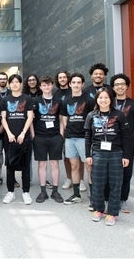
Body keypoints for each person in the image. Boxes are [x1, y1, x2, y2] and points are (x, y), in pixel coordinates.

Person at [85, 88, 132, 226]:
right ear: (97, 100)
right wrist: (88, 155)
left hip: (116, 154)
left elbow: (126, 137)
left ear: (111, 100)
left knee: (115, 184)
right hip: (98, 153)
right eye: (100, 98)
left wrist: (126, 156)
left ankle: (112, 213)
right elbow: (87, 137)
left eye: (106, 98)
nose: (103, 100)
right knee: (98, 183)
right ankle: (98, 209)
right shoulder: (91, 115)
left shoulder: (119, 115)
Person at [108, 73, 134, 213]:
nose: (120, 87)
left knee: (126, 172)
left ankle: (123, 200)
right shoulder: (108, 102)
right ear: (113, 87)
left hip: (128, 142)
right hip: (110, 141)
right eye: (117, 84)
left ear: (127, 86)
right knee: (109, 171)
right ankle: (109, 198)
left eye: (122, 84)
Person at [61, 73, 95, 205]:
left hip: (84, 138)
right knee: (74, 166)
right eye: (73, 82)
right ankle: (76, 195)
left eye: (78, 82)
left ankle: (93, 196)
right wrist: (67, 130)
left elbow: (94, 116)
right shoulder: (66, 100)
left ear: (82, 84)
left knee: (89, 167)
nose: (76, 85)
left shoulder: (89, 99)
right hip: (70, 138)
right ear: (70, 84)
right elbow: (64, 118)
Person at [0, 74, 34, 205]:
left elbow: (30, 117)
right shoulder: (5, 100)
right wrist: (8, 133)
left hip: (24, 138)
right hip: (9, 138)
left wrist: (23, 133)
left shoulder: (27, 99)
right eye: (12, 82)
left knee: (26, 166)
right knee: (10, 166)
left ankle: (26, 192)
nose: (14, 84)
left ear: (20, 84)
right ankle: (10, 192)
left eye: (17, 82)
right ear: (9, 84)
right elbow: (3, 118)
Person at [32, 76, 64, 204]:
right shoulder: (35, 100)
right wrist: (33, 135)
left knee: (55, 163)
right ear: (40, 87)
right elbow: (31, 119)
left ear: (52, 86)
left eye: (48, 85)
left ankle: (55, 190)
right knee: (42, 164)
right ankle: (43, 191)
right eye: (43, 85)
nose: (46, 87)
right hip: (40, 137)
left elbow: (61, 119)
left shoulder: (58, 101)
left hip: (55, 136)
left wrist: (61, 135)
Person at [54, 70, 76, 190]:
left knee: (77, 156)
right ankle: (69, 178)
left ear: (68, 79)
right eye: (60, 77)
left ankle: (79, 179)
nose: (62, 79)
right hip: (60, 128)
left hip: (75, 127)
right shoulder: (55, 94)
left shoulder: (73, 92)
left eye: (64, 77)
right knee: (66, 155)